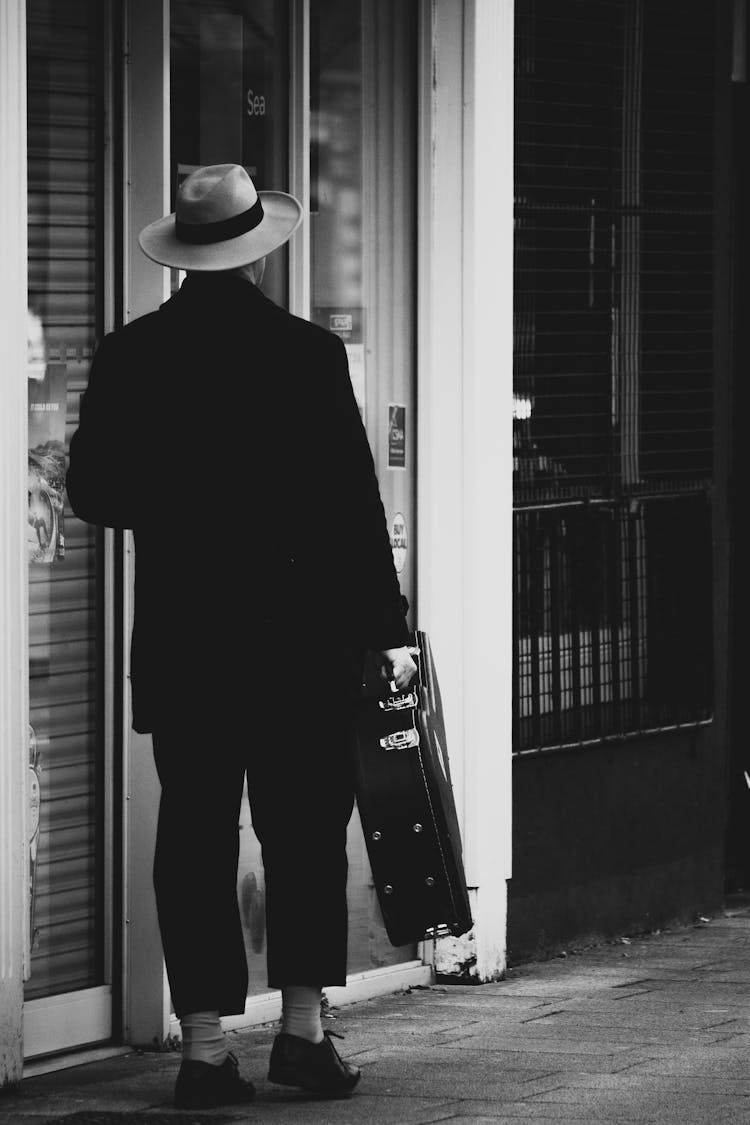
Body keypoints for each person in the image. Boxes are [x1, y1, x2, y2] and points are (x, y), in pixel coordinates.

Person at [66, 163, 416, 1110]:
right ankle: (303, 1034)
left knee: (192, 834)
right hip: (300, 639)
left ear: (183, 252)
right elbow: (353, 507)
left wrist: (182, 504)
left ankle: (207, 1050)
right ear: (261, 249)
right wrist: (388, 634)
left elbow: (92, 493)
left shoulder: (132, 354)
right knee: (303, 830)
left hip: (187, 639)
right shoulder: (306, 355)